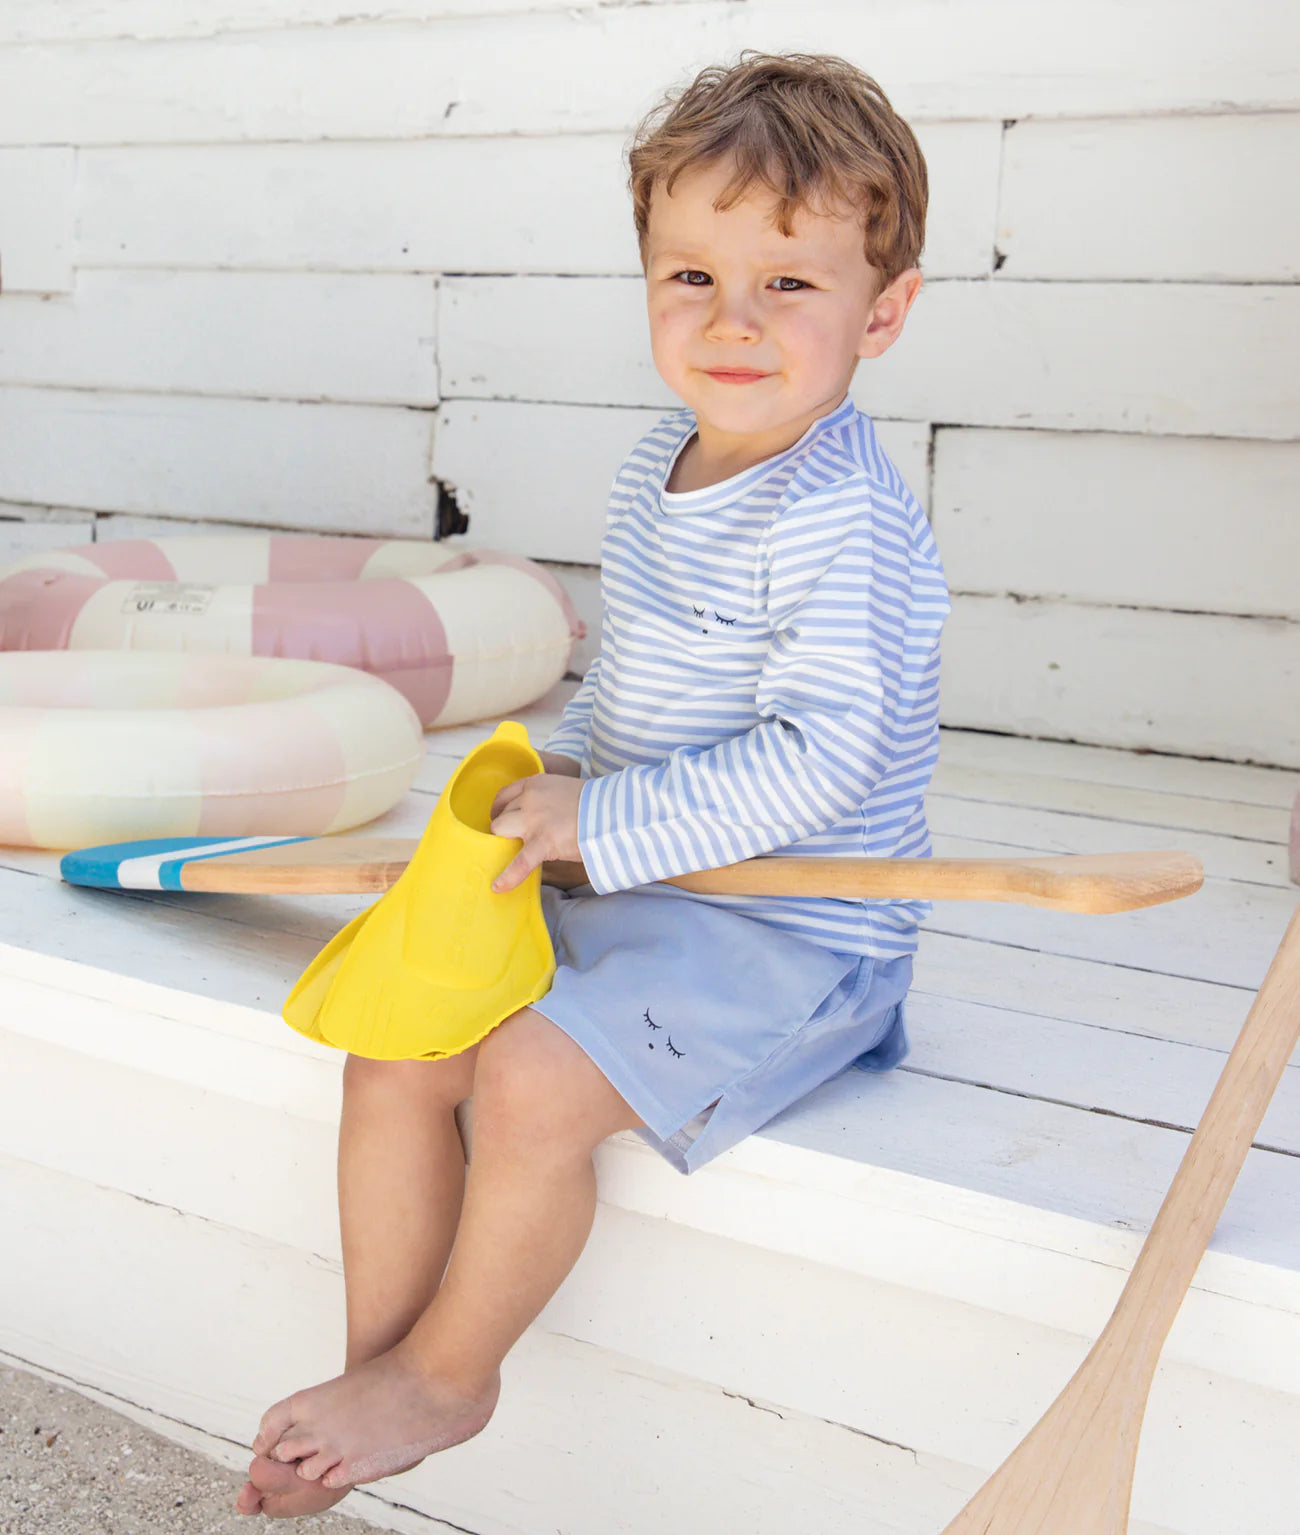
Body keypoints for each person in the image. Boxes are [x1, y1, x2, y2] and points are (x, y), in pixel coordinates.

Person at [236, 50, 949, 1519]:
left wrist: (606, 824)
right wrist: (576, 771)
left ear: (884, 310)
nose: (730, 322)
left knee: (533, 1077)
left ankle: (447, 1376)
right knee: (406, 1035)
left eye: (789, 286)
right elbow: (644, 688)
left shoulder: (843, 523)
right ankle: (388, 1360)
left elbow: (829, 761)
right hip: (637, 878)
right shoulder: (657, 467)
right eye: (690, 274)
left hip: (791, 927)